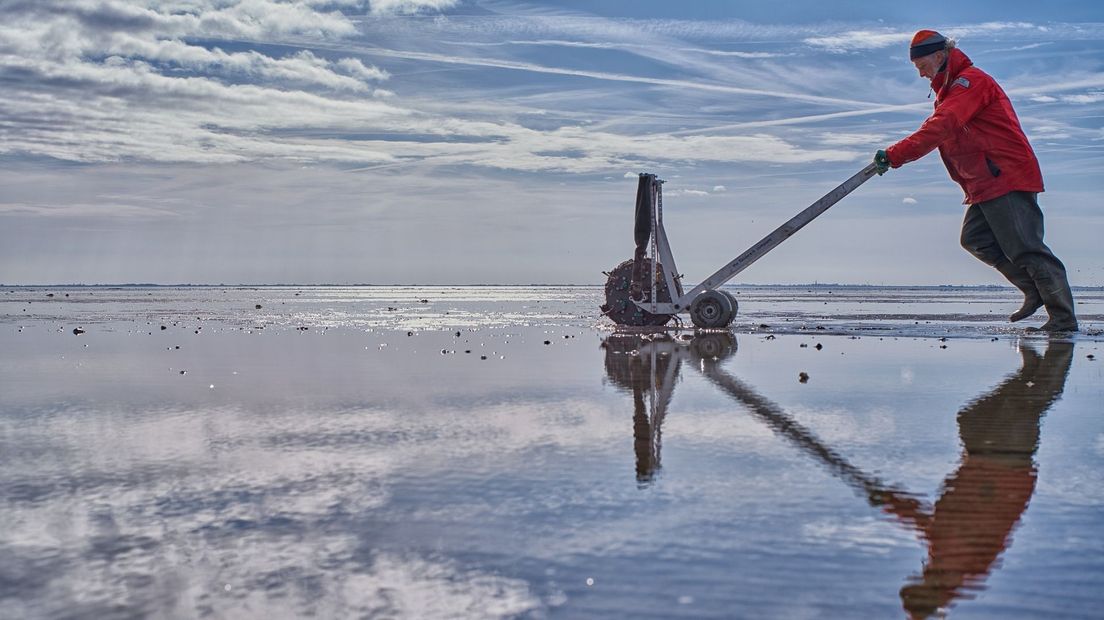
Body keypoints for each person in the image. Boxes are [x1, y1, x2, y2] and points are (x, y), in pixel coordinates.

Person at [873, 30, 1078, 332]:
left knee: (1026, 247)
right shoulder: (951, 89)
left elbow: (943, 126)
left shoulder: (971, 83)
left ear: (940, 56)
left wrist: (896, 154)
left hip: (1005, 175)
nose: (920, 73)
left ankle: (1063, 320)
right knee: (975, 240)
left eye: (921, 66)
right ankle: (1033, 290)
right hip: (983, 181)